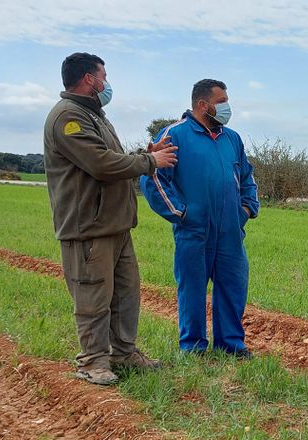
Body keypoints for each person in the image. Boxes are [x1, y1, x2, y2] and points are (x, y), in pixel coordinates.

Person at [44, 52, 178, 385]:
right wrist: (150, 162)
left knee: (125, 294)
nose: (107, 82)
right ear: (90, 78)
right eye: (104, 75)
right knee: (93, 295)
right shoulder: (67, 118)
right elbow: (102, 164)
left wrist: (145, 154)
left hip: (115, 224)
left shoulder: (95, 116)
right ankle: (92, 361)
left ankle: (123, 353)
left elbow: (114, 159)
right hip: (88, 227)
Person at [140, 79, 259, 359]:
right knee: (192, 289)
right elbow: (154, 178)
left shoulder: (233, 138)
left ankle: (231, 345)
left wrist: (246, 210)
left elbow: (247, 177)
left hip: (230, 231)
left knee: (233, 287)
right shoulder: (175, 135)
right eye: (222, 101)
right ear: (203, 105)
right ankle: (193, 347)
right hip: (193, 231)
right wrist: (181, 213)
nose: (228, 107)